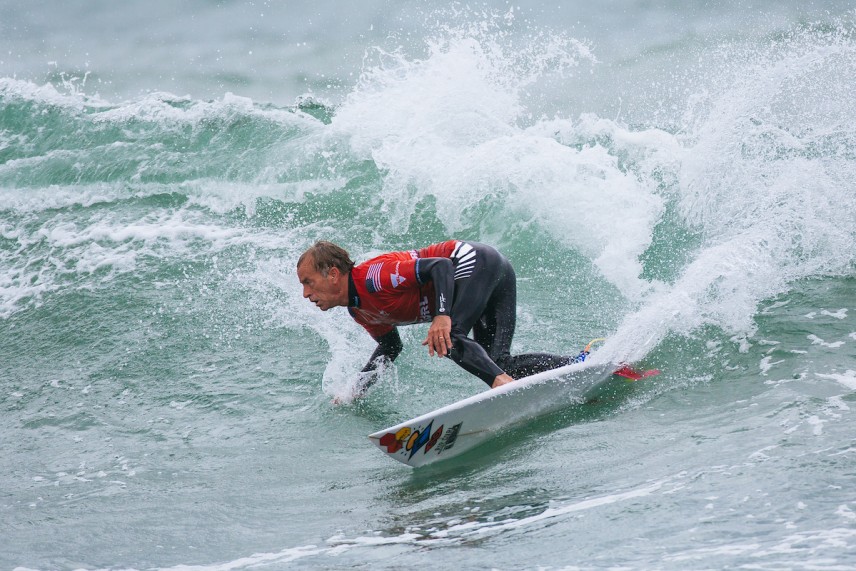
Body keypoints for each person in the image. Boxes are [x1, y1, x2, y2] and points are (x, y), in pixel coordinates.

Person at [297, 239, 581, 396]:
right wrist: (356, 389)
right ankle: (580, 365)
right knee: (498, 362)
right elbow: (390, 348)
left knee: (447, 337)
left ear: (333, 274)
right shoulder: (360, 310)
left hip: (475, 262)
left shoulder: (374, 279)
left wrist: (442, 316)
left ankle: (501, 385)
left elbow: (441, 266)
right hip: (487, 274)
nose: (306, 293)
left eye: (308, 282)